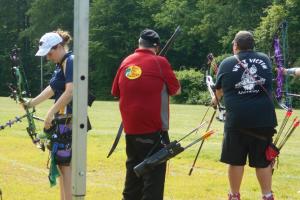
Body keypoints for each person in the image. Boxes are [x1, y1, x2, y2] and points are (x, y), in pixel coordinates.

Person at [111, 29, 181, 200]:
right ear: (156, 47)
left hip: (131, 130)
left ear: (139, 43)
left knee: (133, 174)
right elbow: (176, 90)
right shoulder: (160, 62)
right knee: (153, 181)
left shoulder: (126, 61)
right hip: (154, 130)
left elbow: (115, 91)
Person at [213, 31, 278, 200]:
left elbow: (218, 90)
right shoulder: (264, 59)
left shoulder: (227, 63)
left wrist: (214, 101)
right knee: (263, 161)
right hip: (264, 119)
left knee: (235, 161)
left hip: (237, 120)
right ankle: (267, 195)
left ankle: (234, 196)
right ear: (252, 45)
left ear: (235, 45)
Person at [24, 29, 73, 200]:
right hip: (62, 119)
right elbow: (52, 89)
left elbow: (70, 92)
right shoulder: (62, 64)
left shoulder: (71, 61)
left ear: (59, 47)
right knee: (61, 164)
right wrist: (31, 103)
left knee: (65, 165)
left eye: (49, 53)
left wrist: (50, 113)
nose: (48, 57)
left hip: (68, 119)